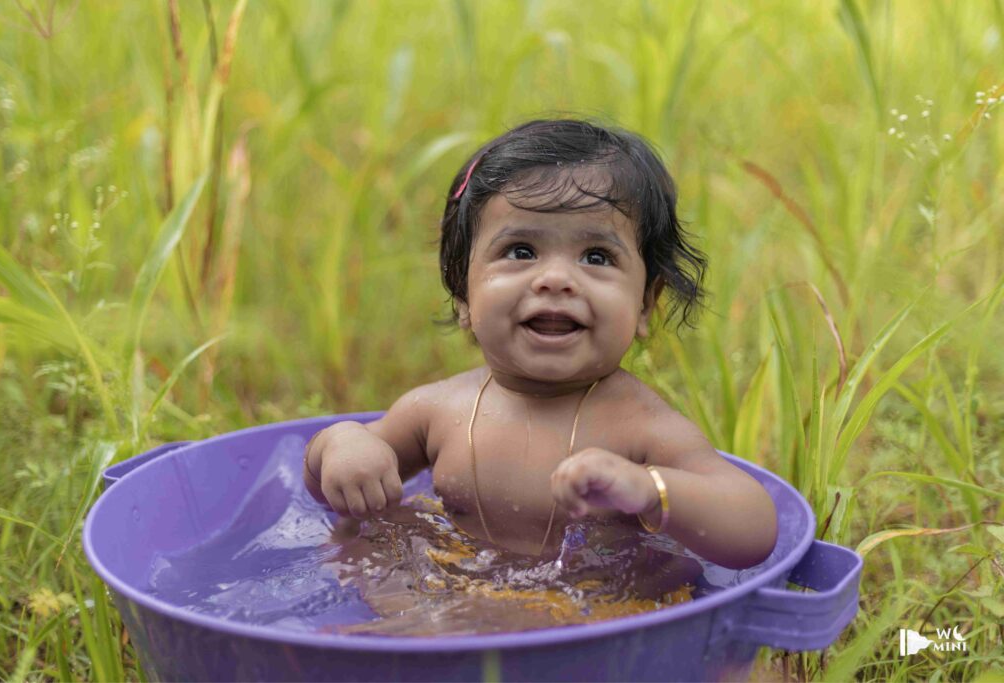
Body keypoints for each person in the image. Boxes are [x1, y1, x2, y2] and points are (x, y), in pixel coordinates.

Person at [304, 118, 777, 572]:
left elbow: (753, 528)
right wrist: (342, 443)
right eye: (521, 251)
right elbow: (327, 491)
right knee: (360, 540)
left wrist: (651, 490)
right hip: (451, 596)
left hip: (589, 617)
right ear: (464, 297)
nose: (555, 279)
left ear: (646, 306)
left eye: (597, 256)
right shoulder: (435, 410)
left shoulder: (641, 428)